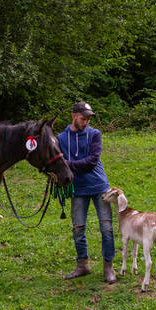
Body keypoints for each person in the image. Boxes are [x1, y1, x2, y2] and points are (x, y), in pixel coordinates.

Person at [57, 102, 116, 283]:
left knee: (106, 228)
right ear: (74, 116)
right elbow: (56, 161)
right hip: (78, 188)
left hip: (99, 186)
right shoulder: (61, 138)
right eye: (83, 118)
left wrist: (67, 165)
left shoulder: (94, 134)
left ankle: (108, 267)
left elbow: (92, 161)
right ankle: (83, 265)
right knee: (78, 228)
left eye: (89, 118)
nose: (86, 121)